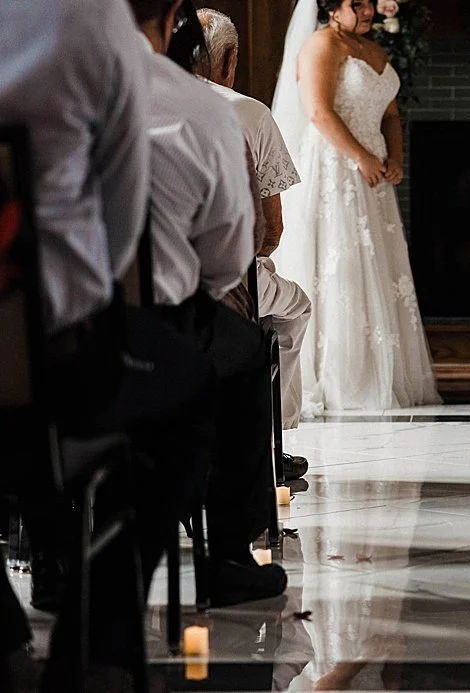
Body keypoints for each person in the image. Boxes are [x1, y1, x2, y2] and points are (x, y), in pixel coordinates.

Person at [0, 0, 218, 687]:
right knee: (188, 389)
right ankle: (100, 628)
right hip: (58, 357)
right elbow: (122, 226)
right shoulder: (93, 22)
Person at [142, 0, 293, 604]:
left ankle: (49, 555)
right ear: (166, 20)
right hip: (145, 337)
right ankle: (228, 550)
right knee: (248, 348)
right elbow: (233, 260)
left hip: (33, 348)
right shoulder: (199, 110)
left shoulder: (31, 85)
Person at [271, 0, 441, 413]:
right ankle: (340, 377)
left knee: (377, 265)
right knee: (342, 263)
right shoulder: (321, 45)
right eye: (358, 4)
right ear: (331, 7)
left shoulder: (375, 50)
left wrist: (395, 157)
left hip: (373, 178)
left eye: (369, 3)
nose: (368, 11)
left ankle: (382, 371)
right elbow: (318, 112)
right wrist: (361, 157)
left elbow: (391, 115)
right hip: (336, 168)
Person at [196, 7, 313, 479]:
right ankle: (267, 439)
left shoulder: (124, 104)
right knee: (294, 308)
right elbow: (269, 235)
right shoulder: (246, 112)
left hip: (132, 289)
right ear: (228, 60)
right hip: (225, 284)